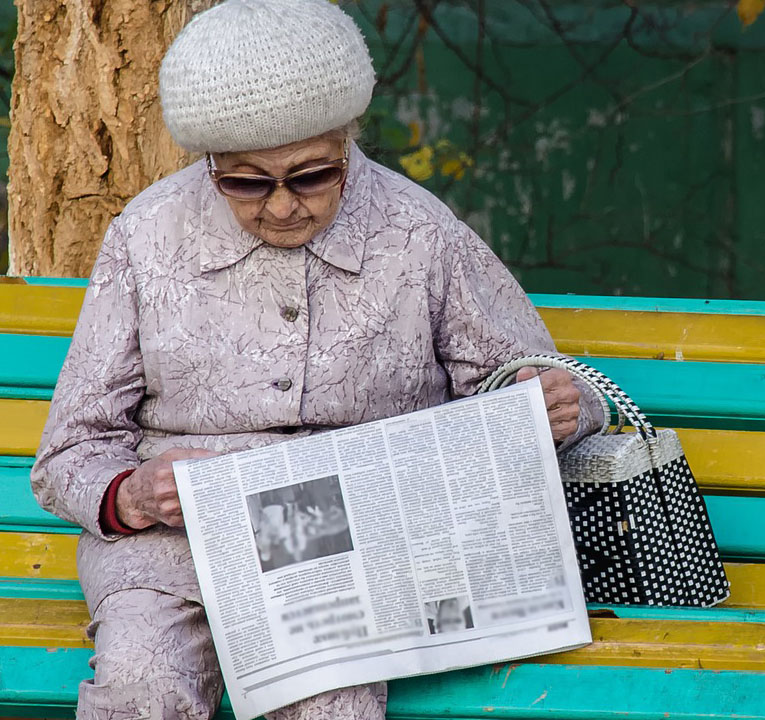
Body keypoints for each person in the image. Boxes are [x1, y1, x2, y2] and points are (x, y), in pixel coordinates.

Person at [30, 1, 603, 718]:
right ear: (209, 166)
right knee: (142, 690)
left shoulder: (416, 229)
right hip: (177, 549)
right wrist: (134, 494)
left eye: (310, 176)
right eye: (245, 182)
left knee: (333, 701)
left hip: (354, 547)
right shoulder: (145, 237)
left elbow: (550, 384)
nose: (280, 207)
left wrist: (553, 404)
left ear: (347, 144)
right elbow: (68, 455)